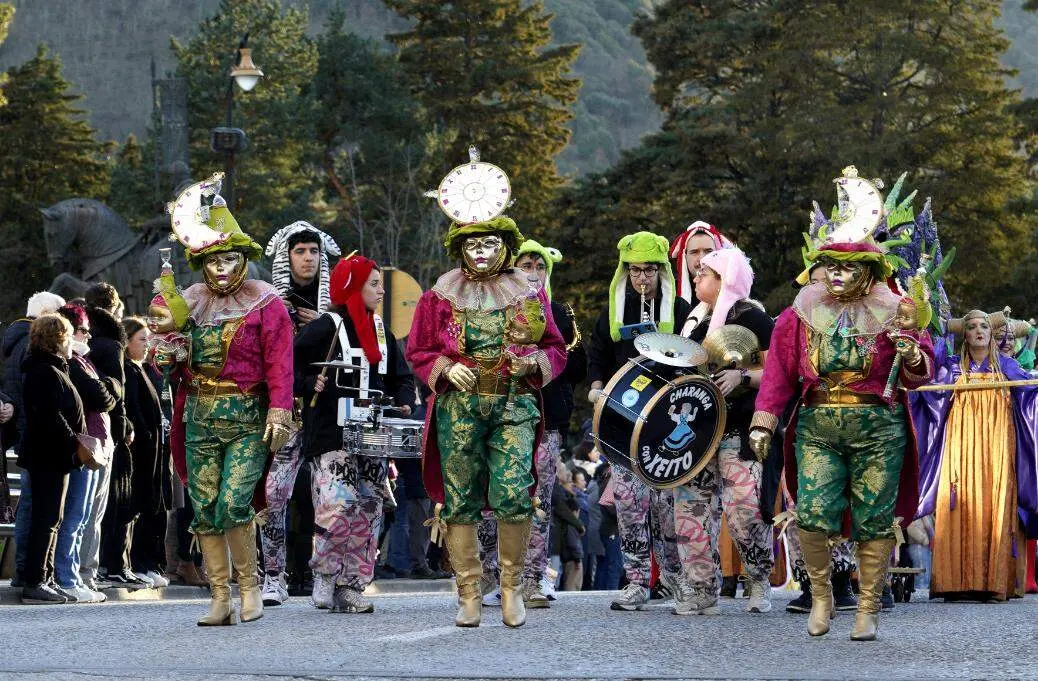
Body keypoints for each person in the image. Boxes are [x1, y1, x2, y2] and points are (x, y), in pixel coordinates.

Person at [749, 227, 934, 640]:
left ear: (869, 271)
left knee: (875, 518)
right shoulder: (800, 311)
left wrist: (913, 353)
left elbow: (920, 374)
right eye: (830, 264)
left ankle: (867, 608)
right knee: (812, 515)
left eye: (848, 266)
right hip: (818, 425)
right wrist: (765, 419)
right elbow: (778, 372)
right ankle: (820, 596)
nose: (836, 273)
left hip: (879, 429)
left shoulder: (899, 308)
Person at [406, 215, 566, 628]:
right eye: (471, 243)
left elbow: (555, 347)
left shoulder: (529, 293)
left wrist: (530, 362)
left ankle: (512, 588)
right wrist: (442, 367)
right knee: (460, 499)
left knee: (514, 491)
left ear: (506, 247)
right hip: (459, 409)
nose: (480, 251)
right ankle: (469, 593)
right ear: (459, 249)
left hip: (514, 405)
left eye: (490, 243)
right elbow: (418, 349)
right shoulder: (438, 296)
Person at [152, 185, 294, 626]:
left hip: (248, 418)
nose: (222, 267)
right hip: (199, 417)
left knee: (235, 503)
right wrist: (167, 353)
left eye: (230, 259)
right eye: (214, 260)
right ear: (202, 263)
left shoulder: (265, 301)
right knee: (205, 505)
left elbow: (280, 358)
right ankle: (219, 597)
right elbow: (165, 361)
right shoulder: (188, 302)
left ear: (243, 259)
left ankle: (249, 587)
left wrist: (280, 408)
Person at [294, 253, 415, 613]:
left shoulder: (380, 330)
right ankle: (326, 574)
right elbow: (287, 367)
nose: (381, 291)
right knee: (338, 504)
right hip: (332, 435)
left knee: (369, 509)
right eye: (374, 284)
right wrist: (306, 382)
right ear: (352, 286)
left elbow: (401, 376)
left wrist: (405, 399)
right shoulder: (323, 327)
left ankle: (353, 585)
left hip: (373, 436)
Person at [477, 239, 588, 608]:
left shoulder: (559, 312)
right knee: (497, 502)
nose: (534, 274)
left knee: (536, 499)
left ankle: (535, 578)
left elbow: (578, 367)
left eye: (540, 267)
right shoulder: (494, 310)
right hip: (499, 419)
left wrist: (542, 351)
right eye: (526, 265)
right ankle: (501, 577)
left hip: (545, 423)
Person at [587, 231, 691, 611]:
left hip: (665, 424)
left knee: (667, 506)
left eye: (649, 270)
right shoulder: (613, 311)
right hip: (621, 421)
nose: (642, 278)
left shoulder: (680, 310)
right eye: (634, 271)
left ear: (662, 270)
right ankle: (635, 581)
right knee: (630, 505)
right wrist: (596, 385)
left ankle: (674, 577)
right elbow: (596, 354)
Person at [672, 247, 776, 615]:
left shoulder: (756, 320)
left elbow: (780, 373)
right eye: (696, 271)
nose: (696, 276)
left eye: (705, 272)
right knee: (689, 510)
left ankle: (759, 577)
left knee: (743, 509)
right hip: (695, 433)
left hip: (738, 429)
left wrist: (743, 376)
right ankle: (700, 590)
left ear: (725, 280)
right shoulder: (693, 323)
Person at [912, 310, 1038, 602]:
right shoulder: (953, 369)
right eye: (971, 327)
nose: (978, 331)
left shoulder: (1007, 366)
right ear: (964, 336)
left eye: (984, 326)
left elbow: (1029, 396)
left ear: (992, 335)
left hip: (997, 447)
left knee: (994, 504)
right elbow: (929, 392)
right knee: (956, 503)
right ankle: (955, 583)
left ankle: (992, 583)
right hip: (960, 445)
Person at [260, 221, 340, 607]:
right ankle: (273, 575)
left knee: (328, 498)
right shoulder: (269, 306)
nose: (307, 258)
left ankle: (321, 576)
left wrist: (325, 329)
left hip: (328, 416)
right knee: (276, 494)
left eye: (313, 252)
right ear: (286, 258)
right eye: (299, 252)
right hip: (285, 413)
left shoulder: (337, 309)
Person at [779, 261, 858, 614]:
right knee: (804, 505)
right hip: (806, 423)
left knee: (844, 502)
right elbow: (778, 374)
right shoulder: (792, 323)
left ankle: (842, 582)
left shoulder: (859, 321)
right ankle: (812, 584)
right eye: (813, 283)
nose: (819, 289)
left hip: (851, 424)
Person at [19, 313, 87, 604]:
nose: (71, 341)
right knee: (45, 519)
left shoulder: (52, 368)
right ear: (58, 339)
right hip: (48, 454)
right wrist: (75, 439)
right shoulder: (43, 370)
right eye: (68, 336)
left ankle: (44, 577)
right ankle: (35, 580)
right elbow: (50, 415)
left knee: (52, 518)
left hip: (55, 455)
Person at [52, 303, 116, 603]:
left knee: (85, 515)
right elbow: (100, 397)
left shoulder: (85, 360)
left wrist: (105, 389)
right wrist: (104, 389)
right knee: (75, 516)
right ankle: (66, 576)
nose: (87, 336)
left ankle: (74, 575)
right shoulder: (73, 363)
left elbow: (107, 394)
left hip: (97, 443)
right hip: (83, 444)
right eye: (82, 330)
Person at [83, 282, 145, 589]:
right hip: (108, 430)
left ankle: (101, 567)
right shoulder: (110, 343)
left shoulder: (89, 340)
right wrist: (124, 426)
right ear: (114, 307)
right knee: (110, 503)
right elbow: (116, 393)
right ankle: (109, 566)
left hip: (87, 428)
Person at [6, 291, 66, 587]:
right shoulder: (29, 350)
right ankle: (30, 573)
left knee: (38, 509)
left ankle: (31, 573)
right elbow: (38, 400)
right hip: (36, 440)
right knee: (37, 510)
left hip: (29, 436)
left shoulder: (18, 343)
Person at [123, 317, 168, 588]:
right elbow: (135, 410)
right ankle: (137, 563)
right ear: (127, 343)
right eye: (142, 339)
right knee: (138, 507)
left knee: (153, 506)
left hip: (154, 449)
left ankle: (148, 563)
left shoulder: (143, 369)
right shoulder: (129, 370)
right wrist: (147, 433)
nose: (148, 344)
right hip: (140, 450)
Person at [669, 221, 733, 335]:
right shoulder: (669, 296)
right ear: (684, 257)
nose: (702, 259)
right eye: (694, 252)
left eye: (709, 251)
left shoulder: (734, 295)